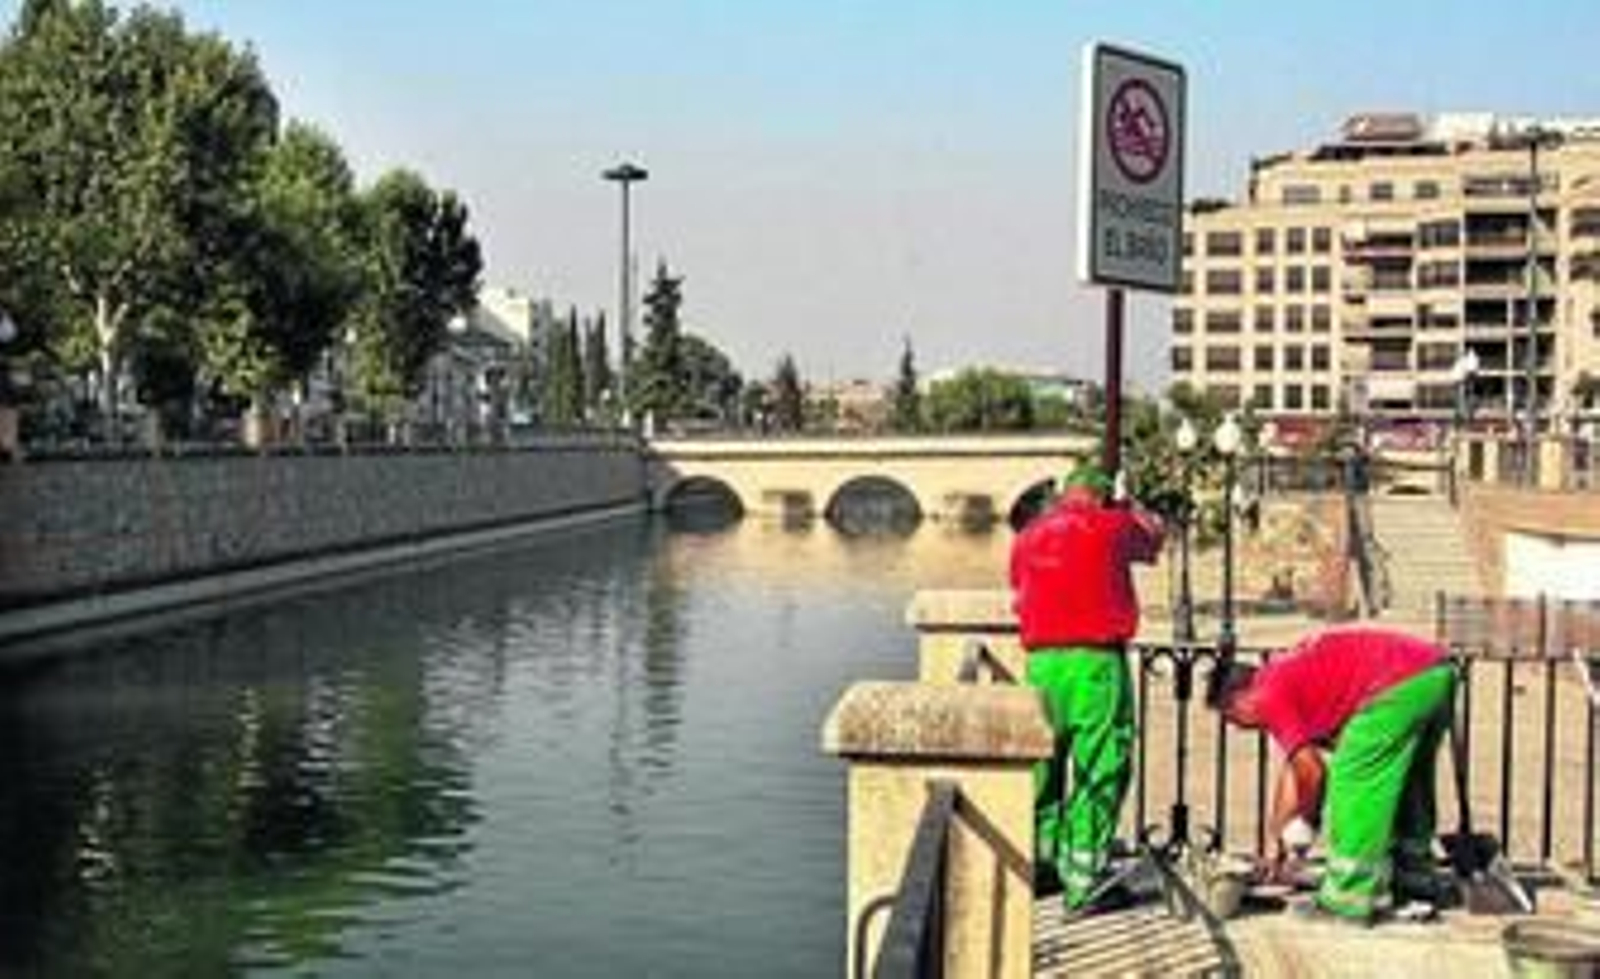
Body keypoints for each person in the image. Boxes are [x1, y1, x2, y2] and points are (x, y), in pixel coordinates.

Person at [1206, 625, 1456, 925]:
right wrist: (1274, 840)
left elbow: (1313, 773)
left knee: (1354, 781)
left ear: (1240, 699)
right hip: (1434, 673)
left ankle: (1348, 898)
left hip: (1395, 684)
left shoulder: (1268, 696)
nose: (1237, 727)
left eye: (1231, 717)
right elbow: (1296, 769)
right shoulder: (1281, 676)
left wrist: (1307, 821)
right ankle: (1413, 875)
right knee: (1409, 781)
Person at [1009, 461, 1164, 911]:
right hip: (1094, 662)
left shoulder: (1028, 535)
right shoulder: (1110, 524)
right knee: (1101, 766)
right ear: (1100, 495)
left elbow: (1019, 588)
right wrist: (1129, 504)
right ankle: (1083, 879)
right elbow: (1153, 539)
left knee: (1043, 766)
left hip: (1041, 665)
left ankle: (1040, 865)